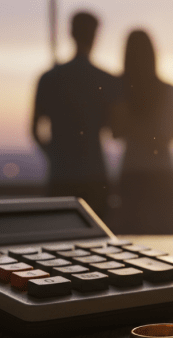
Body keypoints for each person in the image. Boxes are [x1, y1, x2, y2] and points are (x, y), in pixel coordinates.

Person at [32, 11, 121, 217]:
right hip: (95, 174)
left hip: (61, 175)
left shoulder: (49, 79)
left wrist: (55, 155)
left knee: (59, 238)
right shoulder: (107, 80)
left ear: (71, 33)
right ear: (95, 36)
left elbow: (35, 129)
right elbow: (116, 129)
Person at [112, 30, 173, 233]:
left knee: (132, 239)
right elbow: (170, 135)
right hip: (161, 172)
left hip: (133, 172)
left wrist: (133, 127)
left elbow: (116, 131)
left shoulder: (120, 90)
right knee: (165, 238)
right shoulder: (167, 90)